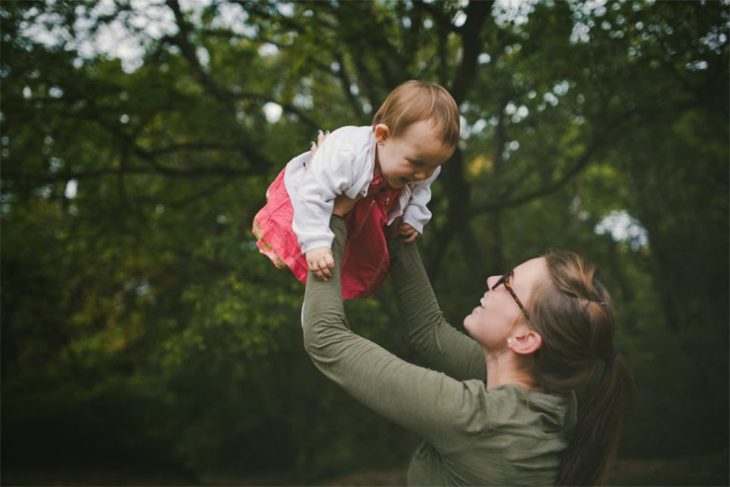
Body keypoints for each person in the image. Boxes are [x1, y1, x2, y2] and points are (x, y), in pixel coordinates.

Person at [302, 208, 634, 485]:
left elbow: (325, 336)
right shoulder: (552, 397)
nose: (491, 281)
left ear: (524, 339)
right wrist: (395, 219)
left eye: (507, 284)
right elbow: (428, 331)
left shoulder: (474, 418)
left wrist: (332, 219)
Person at [252, 80, 459, 299]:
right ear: (382, 136)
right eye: (416, 164)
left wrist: (415, 216)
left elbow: (422, 189)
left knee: (352, 259)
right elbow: (312, 194)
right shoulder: (347, 154)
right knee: (319, 255)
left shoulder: (422, 164)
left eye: (433, 166)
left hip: (366, 209)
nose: (422, 174)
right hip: (312, 202)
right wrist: (315, 243)